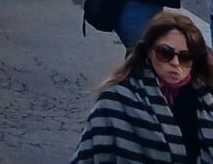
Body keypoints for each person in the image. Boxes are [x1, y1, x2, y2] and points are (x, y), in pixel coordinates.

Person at [73, 12, 213, 162]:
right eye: (165, 53)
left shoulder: (207, 98)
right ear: (148, 52)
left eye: (185, 57)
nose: (175, 63)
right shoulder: (115, 100)